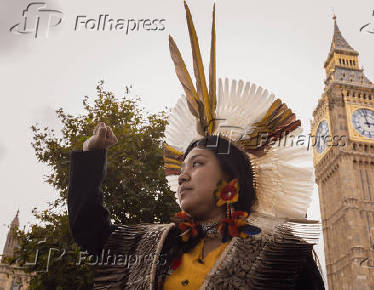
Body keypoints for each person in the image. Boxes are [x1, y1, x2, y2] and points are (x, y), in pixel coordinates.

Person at [67, 2, 325, 289]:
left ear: (231, 180)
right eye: (183, 167)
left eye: (198, 163)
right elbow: (91, 230)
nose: (183, 175)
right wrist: (92, 156)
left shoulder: (280, 254)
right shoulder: (156, 248)